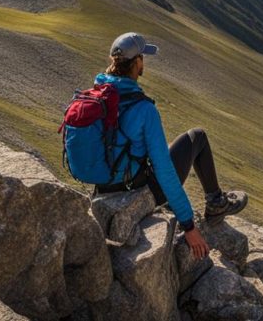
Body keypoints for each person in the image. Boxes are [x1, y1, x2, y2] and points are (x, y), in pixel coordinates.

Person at [93, 32, 247, 259]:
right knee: (197, 137)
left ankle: (205, 202)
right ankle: (216, 203)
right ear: (136, 63)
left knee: (161, 147)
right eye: (142, 58)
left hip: (104, 188)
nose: (144, 63)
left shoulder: (98, 97)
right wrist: (189, 227)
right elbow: (165, 172)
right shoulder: (144, 110)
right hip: (138, 190)